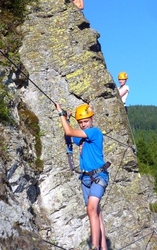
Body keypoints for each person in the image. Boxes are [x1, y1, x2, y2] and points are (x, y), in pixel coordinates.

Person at [55, 103, 109, 250]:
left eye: (86, 121)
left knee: (91, 208)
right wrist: (68, 119)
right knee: (96, 212)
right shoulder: (83, 137)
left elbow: (69, 131)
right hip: (86, 179)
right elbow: (69, 134)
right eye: (81, 122)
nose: (84, 124)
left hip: (99, 176)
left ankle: (94, 246)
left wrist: (61, 114)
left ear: (92, 119)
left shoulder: (94, 132)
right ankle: (103, 247)